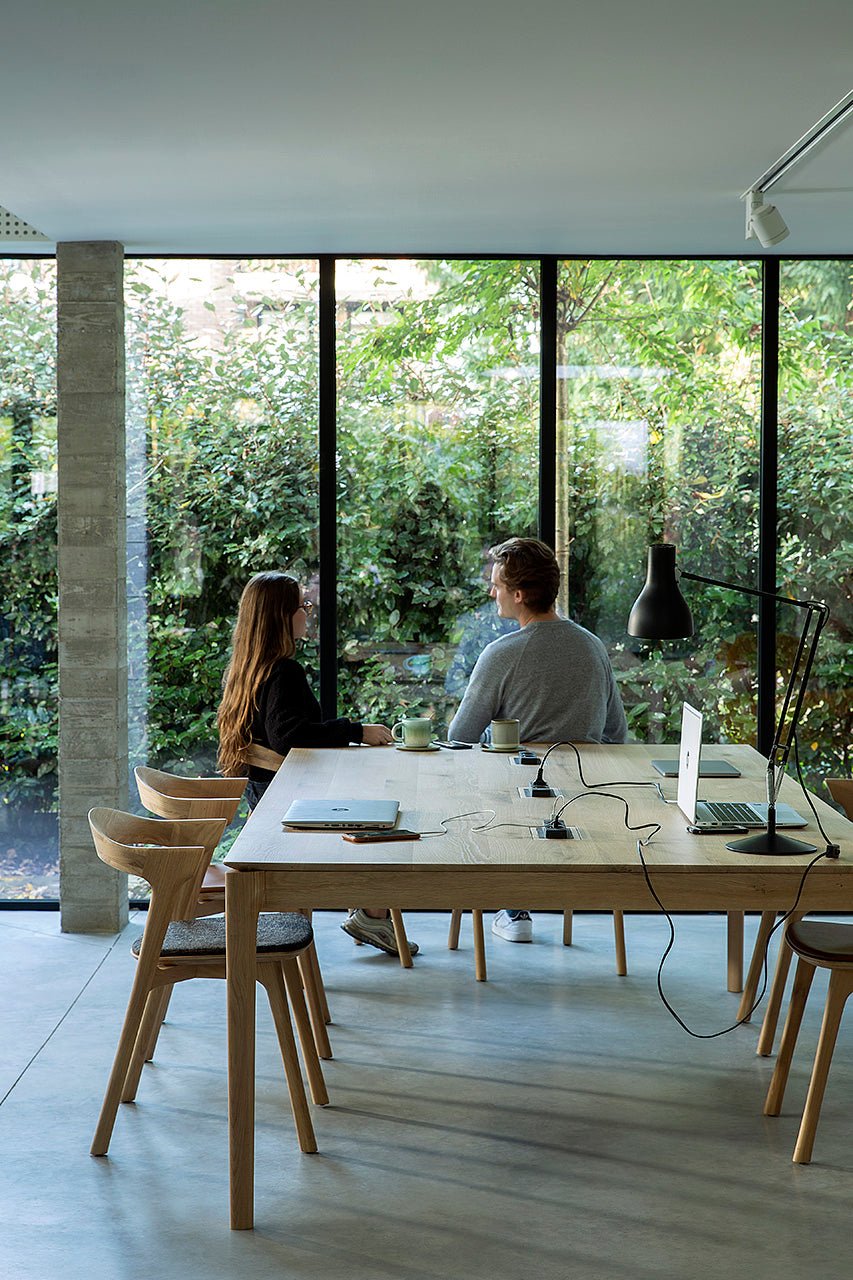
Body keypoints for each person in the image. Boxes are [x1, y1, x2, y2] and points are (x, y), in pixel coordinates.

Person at [217, 571, 416, 956]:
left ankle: (369, 914)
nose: (307, 612)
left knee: (370, 808)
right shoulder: (284, 671)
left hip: (266, 798)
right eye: (302, 606)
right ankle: (372, 913)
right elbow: (288, 735)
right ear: (281, 616)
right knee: (381, 813)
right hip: (292, 805)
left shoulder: (247, 669)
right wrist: (357, 730)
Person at [448, 537, 627, 944]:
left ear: (519, 594)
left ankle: (514, 904)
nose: (491, 592)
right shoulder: (593, 646)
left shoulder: (501, 654)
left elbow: (459, 737)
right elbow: (617, 733)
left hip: (513, 812)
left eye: (496, 585)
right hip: (587, 804)